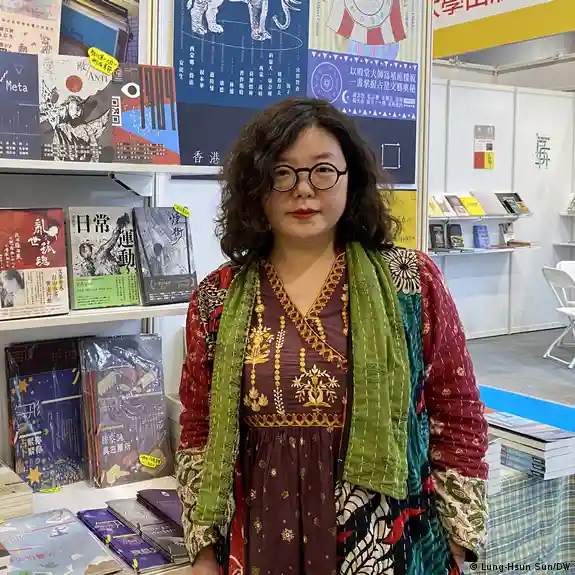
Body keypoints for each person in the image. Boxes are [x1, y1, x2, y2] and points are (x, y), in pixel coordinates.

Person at [176, 97, 488, 575]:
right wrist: (202, 551)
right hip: (259, 535)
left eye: (322, 170)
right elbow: (199, 427)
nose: (303, 189)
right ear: (256, 185)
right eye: (282, 173)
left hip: (386, 540)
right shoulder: (217, 297)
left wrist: (457, 541)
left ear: (350, 177)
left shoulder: (410, 282)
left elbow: (457, 411)